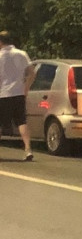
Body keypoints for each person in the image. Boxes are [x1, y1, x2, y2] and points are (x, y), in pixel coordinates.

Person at [0, 30, 36, 161]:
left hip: (3, 94)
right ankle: (28, 149)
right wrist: (26, 88)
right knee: (22, 121)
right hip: (19, 93)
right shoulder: (22, 54)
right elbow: (32, 73)